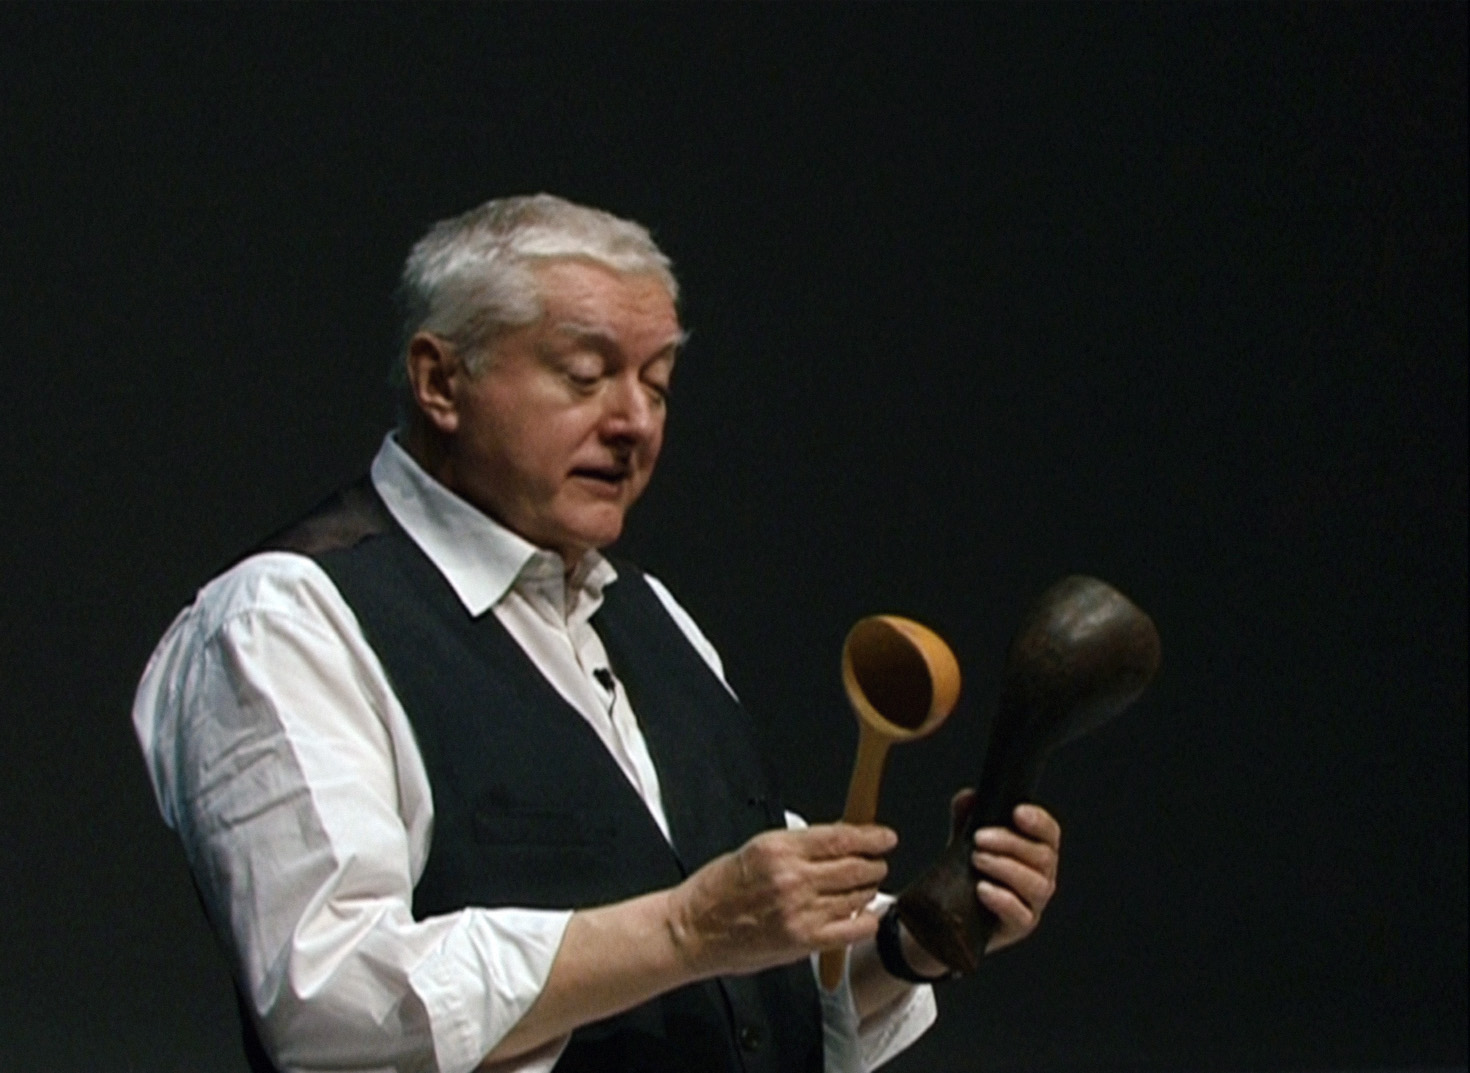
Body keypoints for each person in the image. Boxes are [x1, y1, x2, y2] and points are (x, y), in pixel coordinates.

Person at [132, 194, 1062, 1073]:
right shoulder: (290, 619)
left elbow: (744, 1009)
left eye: (657, 385)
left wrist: (908, 943)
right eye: (585, 376)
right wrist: (688, 928)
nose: (634, 423)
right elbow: (330, 1003)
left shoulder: (650, 617)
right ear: (440, 381)